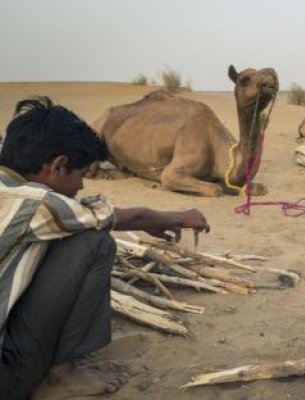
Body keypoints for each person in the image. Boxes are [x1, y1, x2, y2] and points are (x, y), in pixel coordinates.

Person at [0, 97, 210, 400]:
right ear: (58, 166)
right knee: (93, 242)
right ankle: (61, 376)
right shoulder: (38, 204)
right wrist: (180, 216)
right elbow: (115, 217)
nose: (81, 188)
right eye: (81, 175)